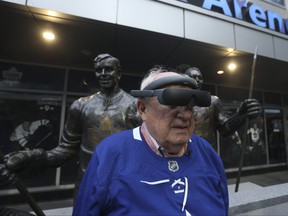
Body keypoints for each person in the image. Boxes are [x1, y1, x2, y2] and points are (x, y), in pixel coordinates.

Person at [73, 68, 229, 216]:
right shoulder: (110, 155)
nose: (186, 115)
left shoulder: (207, 153)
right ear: (142, 109)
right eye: (173, 102)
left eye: (190, 105)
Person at [2, 53, 141, 200]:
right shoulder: (80, 105)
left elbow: (145, 152)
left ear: (118, 74)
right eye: (99, 70)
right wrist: (36, 157)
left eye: (108, 69)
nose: (103, 74)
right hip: (87, 184)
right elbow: (66, 148)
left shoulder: (135, 106)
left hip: (123, 185)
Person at [178, 66, 262, 150]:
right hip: (180, 152)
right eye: (193, 77)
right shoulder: (176, 101)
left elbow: (225, 130)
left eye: (199, 78)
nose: (197, 80)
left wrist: (240, 117)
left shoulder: (213, 101)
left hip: (206, 153)